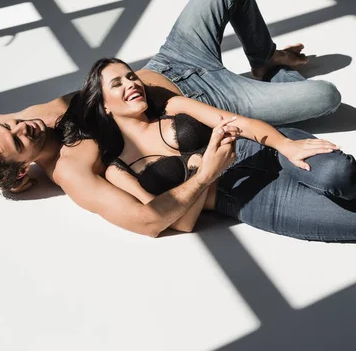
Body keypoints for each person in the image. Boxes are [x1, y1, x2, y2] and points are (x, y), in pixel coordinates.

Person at [0, 0, 342, 236]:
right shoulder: (71, 170)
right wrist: (13, 183)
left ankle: (264, 60)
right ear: (23, 169)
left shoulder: (25, 121)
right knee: (325, 97)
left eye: (8, 125)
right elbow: (148, 221)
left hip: (173, 60)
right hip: (215, 102)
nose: (21, 126)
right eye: (18, 140)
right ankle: (270, 80)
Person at [62, 56, 356, 242]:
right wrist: (207, 172)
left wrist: (284, 145)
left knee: (339, 175)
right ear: (104, 106)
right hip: (243, 197)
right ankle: (281, 74)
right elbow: (182, 223)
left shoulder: (170, 106)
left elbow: (237, 123)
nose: (131, 83)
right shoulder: (117, 170)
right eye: (117, 83)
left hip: (257, 149)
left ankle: (280, 73)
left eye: (131, 76)